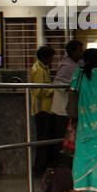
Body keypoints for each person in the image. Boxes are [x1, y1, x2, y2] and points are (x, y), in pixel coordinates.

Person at [65, 47, 97, 192]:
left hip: (84, 121)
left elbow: (72, 92)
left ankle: (80, 186)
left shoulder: (79, 74)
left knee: (82, 152)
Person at [28, 46, 64, 174]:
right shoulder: (39, 70)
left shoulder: (44, 68)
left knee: (46, 139)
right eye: (51, 57)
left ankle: (43, 166)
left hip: (46, 109)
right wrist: (55, 90)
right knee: (43, 140)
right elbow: (39, 91)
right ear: (45, 57)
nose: (52, 60)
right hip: (41, 110)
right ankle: (40, 168)